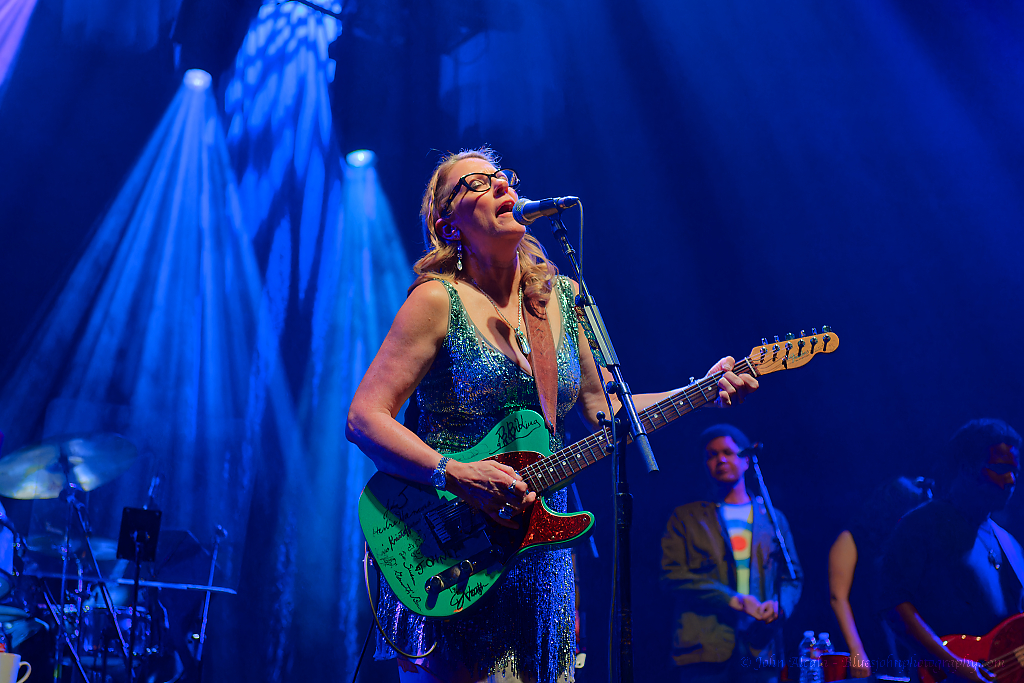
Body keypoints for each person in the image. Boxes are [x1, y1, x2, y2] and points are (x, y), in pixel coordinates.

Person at [346, 147, 759, 683]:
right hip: (449, 548)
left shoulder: (561, 299)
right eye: (476, 183)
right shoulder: (436, 300)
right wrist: (455, 472)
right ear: (448, 226)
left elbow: (605, 408)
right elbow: (364, 417)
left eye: (502, 177)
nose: (499, 185)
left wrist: (701, 389)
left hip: (540, 556)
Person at [879, 419, 1023, 683]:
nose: (1012, 480)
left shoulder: (1010, 544)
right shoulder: (922, 524)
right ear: (968, 468)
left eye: (1016, 470)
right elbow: (894, 605)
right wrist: (953, 665)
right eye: (1001, 468)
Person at [660, 424, 802, 683]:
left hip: (761, 647)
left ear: (747, 460)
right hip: (703, 650)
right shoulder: (686, 518)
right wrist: (732, 600)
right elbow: (672, 576)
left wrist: (780, 606)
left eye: (727, 452)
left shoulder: (771, 516)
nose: (720, 459)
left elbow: (792, 577)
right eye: (711, 455)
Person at [828, 476, 932, 678]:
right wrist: (856, 649)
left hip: (899, 637)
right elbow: (838, 598)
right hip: (867, 635)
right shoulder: (851, 539)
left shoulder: (901, 543)